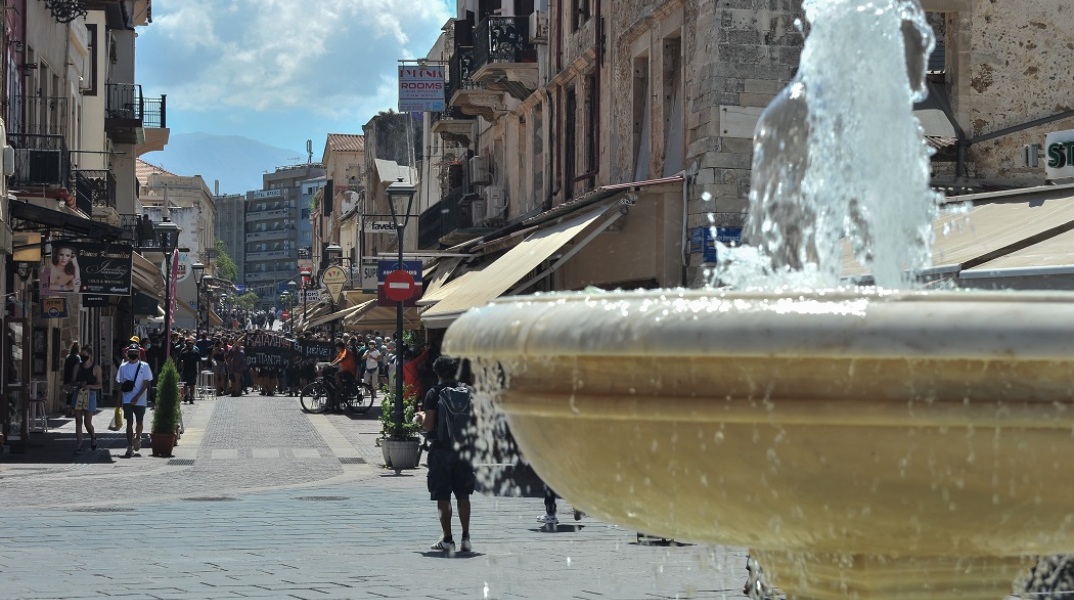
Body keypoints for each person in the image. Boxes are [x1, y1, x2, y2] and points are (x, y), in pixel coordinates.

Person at [421, 355, 475, 554]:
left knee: (443, 496)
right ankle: (466, 538)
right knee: (463, 495)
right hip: (464, 450)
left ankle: (448, 539)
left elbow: (429, 425)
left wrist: (420, 418)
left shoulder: (434, 393)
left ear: (437, 372)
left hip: (441, 450)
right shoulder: (467, 392)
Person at [115, 344, 153, 458]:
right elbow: (120, 384)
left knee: (139, 422)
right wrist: (118, 401)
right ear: (127, 353)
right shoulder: (123, 367)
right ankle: (129, 446)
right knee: (129, 422)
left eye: (135, 352)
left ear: (138, 353)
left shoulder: (144, 366)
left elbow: (146, 384)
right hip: (127, 399)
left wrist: (137, 397)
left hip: (140, 400)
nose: (133, 353)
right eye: (131, 351)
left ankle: (138, 437)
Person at [72, 347, 103, 453]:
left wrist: (90, 386)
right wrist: (79, 383)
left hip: (90, 395)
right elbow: (72, 381)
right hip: (78, 393)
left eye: (84, 354)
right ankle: (79, 444)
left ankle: (93, 436)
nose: (82, 356)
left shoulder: (96, 368)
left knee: (87, 422)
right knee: (78, 421)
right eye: (81, 354)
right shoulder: (77, 366)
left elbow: (99, 385)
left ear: (89, 355)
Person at [328, 340, 359, 405]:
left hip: (350, 372)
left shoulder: (345, 351)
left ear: (340, 347)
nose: (336, 349)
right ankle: (339, 388)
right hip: (345, 371)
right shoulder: (341, 353)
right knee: (335, 375)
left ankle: (341, 390)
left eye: (337, 348)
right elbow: (336, 359)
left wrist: (332, 365)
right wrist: (329, 364)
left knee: (337, 374)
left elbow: (341, 359)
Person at [178, 338, 201, 404]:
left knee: (192, 385)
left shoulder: (196, 353)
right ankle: (186, 395)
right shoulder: (184, 353)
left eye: (191, 345)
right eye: (189, 345)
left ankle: (191, 397)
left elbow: (199, 362)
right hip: (185, 370)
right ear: (187, 346)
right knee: (185, 384)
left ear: (193, 346)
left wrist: (199, 370)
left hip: (193, 370)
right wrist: (180, 369)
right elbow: (180, 361)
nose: (190, 347)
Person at [62, 341, 82, 413]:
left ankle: (68, 409)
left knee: (69, 394)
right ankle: (73, 410)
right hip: (74, 379)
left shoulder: (68, 357)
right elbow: (79, 369)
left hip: (67, 378)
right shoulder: (77, 358)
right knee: (74, 394)